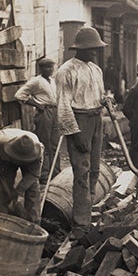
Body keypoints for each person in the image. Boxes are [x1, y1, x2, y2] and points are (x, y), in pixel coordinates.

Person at [55, 25, 110, 229]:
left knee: (95, 169)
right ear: (79, 48)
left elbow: (99, 95)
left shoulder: (96, 69)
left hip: (96, 118)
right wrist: (75, 132)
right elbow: (63, 105)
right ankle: (80, 223)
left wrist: (106, 101)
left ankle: (90, 208)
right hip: (79, 120)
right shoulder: (66, 71)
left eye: (96, 48)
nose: (95, 52)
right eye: (90, 48)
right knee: (82, 171)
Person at [14, 57, 58, 182]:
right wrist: (37, 104)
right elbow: (19, 95)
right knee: (45, 143)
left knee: (55, 144)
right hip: (44, 113)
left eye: (51, 67)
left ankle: (55, 173)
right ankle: (44, 175)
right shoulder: (36, 81)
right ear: (40, 68)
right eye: (46, 67)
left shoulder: (52, 81)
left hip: (55, 112)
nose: (50, 69)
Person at [0, 128, 44, 223]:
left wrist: (18, 191)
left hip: (30, 160)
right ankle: (3, 216)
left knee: (33, 189)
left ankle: (34, 223)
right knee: (3, 187)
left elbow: (33, 175)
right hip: (7, 156)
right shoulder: (1, 142)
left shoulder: (38, 151)